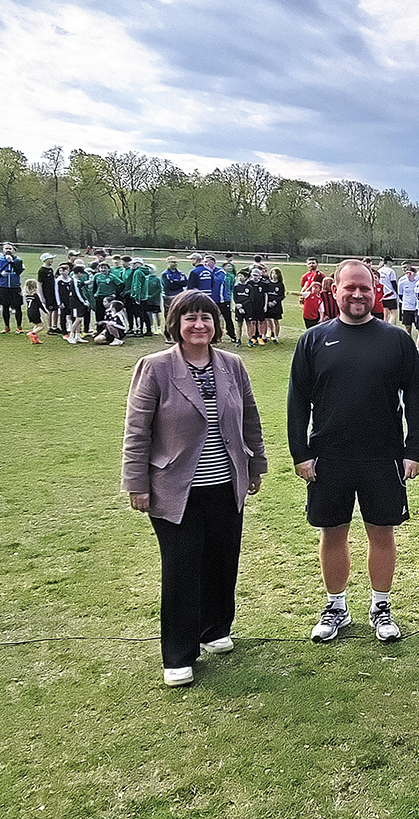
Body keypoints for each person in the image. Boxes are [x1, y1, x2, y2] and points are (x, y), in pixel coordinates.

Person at [122, 290, 267, 687]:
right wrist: (136, 482)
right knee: (183, 567)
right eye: (190, 318)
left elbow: (249, 418)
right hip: (175, 488)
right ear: (176, 324)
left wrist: (256, 464)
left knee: (222, 559)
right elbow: (137, 431)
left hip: (225, 483)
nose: (199, 325)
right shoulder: (154, 368)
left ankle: (215, 628)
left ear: (216, 324)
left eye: (206, 317)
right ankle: (179, 653)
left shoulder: (232, 365)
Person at [288, 260, 419, 644]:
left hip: (383, 457)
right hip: (329, 457)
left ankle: (381, 606)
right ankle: (336, 607)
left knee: (381, 534)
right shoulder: (314, 340)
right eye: (349, 288)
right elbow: (298, 400)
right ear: (335, 291)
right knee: (333, 534)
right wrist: (300, 452)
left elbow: (417, 397)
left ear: (376, 292)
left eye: (365, 288)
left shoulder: (396, 339)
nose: (358, 295)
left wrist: (414, 449)